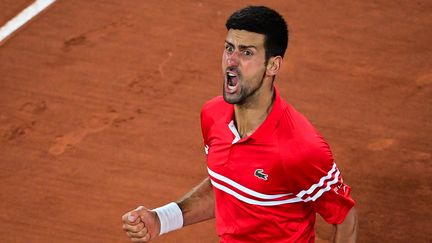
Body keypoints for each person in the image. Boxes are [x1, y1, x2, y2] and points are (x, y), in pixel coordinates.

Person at [122, 5, 357, 243]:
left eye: (247, 53)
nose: (231, 61)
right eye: (229, 48)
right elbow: (229, 185)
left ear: (273, 65)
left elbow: (345, 218)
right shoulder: (212, 115)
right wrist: (162, 219)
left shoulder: (300, 148)